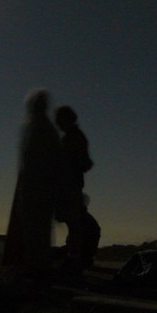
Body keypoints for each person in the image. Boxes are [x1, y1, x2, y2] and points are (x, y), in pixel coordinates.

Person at [3, 89, 63, 283]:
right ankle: (37, 266)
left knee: (36, 229)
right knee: (38, 229)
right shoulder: (45, 128)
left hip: (36, 188)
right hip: (40, 188)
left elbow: (35, 161)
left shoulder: (38, 127)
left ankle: (37, 268)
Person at [54, 105, 95, 274]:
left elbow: (83, 162)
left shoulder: (73, 138)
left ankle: (74, 259)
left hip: (69, 187)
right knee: (73, 223)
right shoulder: (75, 137)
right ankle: (74, 258)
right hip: (71, 186)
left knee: (73, 223)